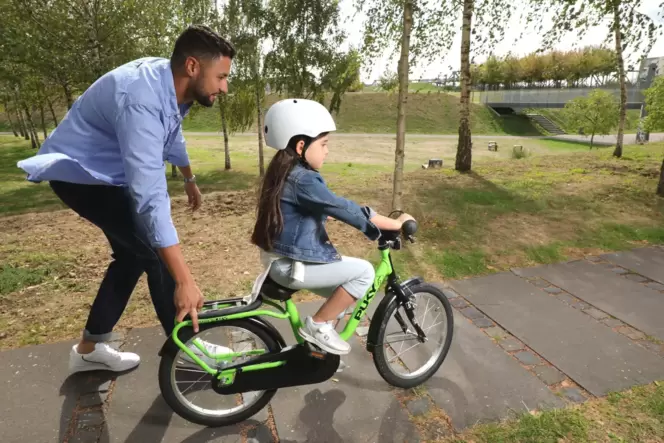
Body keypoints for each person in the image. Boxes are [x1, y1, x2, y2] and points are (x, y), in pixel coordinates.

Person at [17, 25, 235, 373]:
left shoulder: (171, 86)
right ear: (193, 66)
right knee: (154, 254)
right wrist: (184, 280)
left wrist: (189, 178)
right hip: (79, 177)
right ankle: (187, 350)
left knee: (133, 257)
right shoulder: (142, 99)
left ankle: (89, 348)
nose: (225, 87)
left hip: (104, 176)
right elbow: (149, 196)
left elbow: (172, 136)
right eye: (221, 76)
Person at [251, 98, 414, 355]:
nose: (327, 151)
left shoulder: (286, 171)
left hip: (281, 260)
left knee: (345, 295)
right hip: (289, 265)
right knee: (363, 274)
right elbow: (344, 208)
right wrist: (396, 223)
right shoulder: (303, 179)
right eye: (324, 144)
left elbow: (315, 210)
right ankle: (317, 326)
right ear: (301, 145)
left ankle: (318, 353)